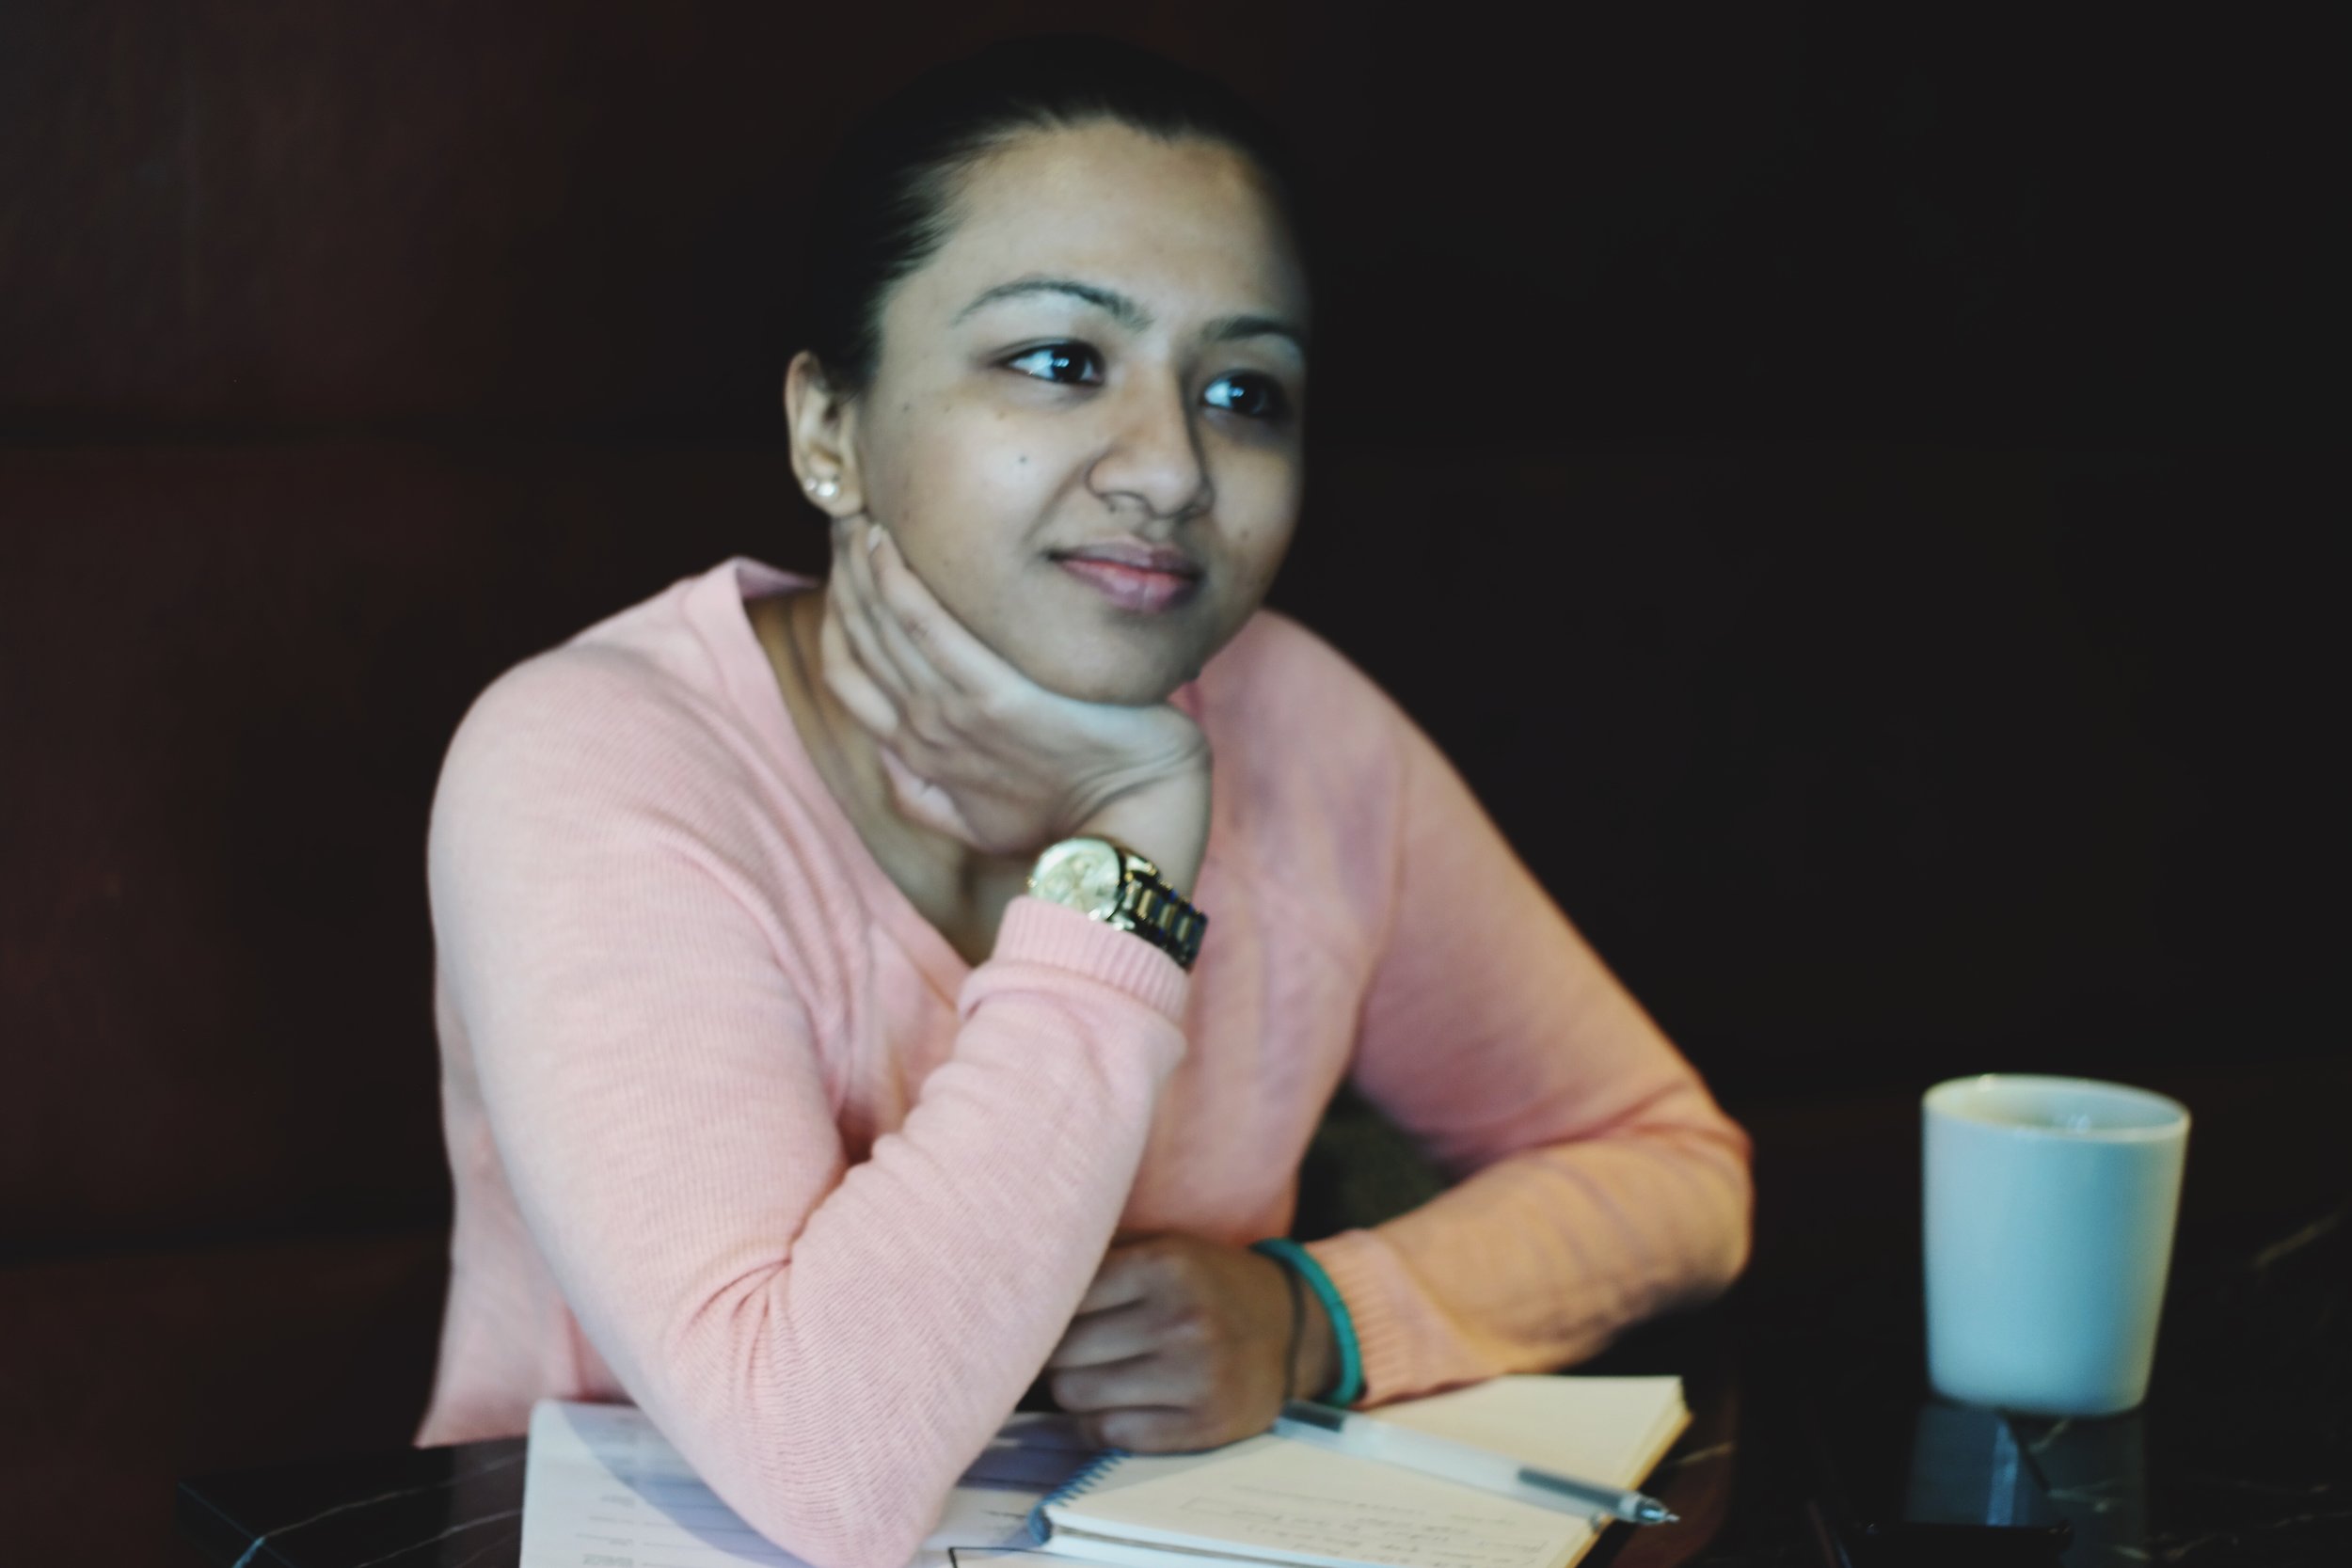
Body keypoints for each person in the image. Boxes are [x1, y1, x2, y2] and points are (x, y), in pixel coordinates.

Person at [414, 33, 1751, 1568]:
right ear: (829, 430)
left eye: (1243, 390)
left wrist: (1317, 1321)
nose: (1174, 470)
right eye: (1058, 362)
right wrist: (1127, 853)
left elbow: (1673, 1168)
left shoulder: (1299, 725)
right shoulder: (596, 760)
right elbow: (820, 1466)